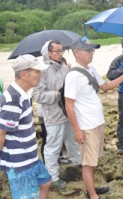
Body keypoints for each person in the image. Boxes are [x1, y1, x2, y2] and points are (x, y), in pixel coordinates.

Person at [64, 37, 123, 199]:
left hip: (97, 123)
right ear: (77, 53)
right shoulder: (73, 75)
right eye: (88, 50)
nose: (91, 53)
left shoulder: (91, 69)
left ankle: (91, 188)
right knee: (88, 162)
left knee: (93, 160)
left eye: (92, 50)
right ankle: (92, 195)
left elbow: (106, 87)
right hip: (86, 126)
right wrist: (77, 130)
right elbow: (69, 105)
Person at [0, 54, 51, 199]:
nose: (40, 74)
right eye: (37, 71)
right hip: (19, 162)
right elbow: (1, 132)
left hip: (30, 156)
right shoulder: (13, 100)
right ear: (24, 74)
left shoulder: (24, 94)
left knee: (45, 182)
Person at [33, 40, 81, 190]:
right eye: (57, 51)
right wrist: (56, 94)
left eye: (62, 51)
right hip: (52, 116)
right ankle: (53, 177)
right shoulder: (42, 71)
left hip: (68, 113)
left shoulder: (65, 68)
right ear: (48, 53)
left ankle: (78, 166)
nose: (60, 54)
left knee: (73, 142)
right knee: (53, 147)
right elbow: (37, 95)